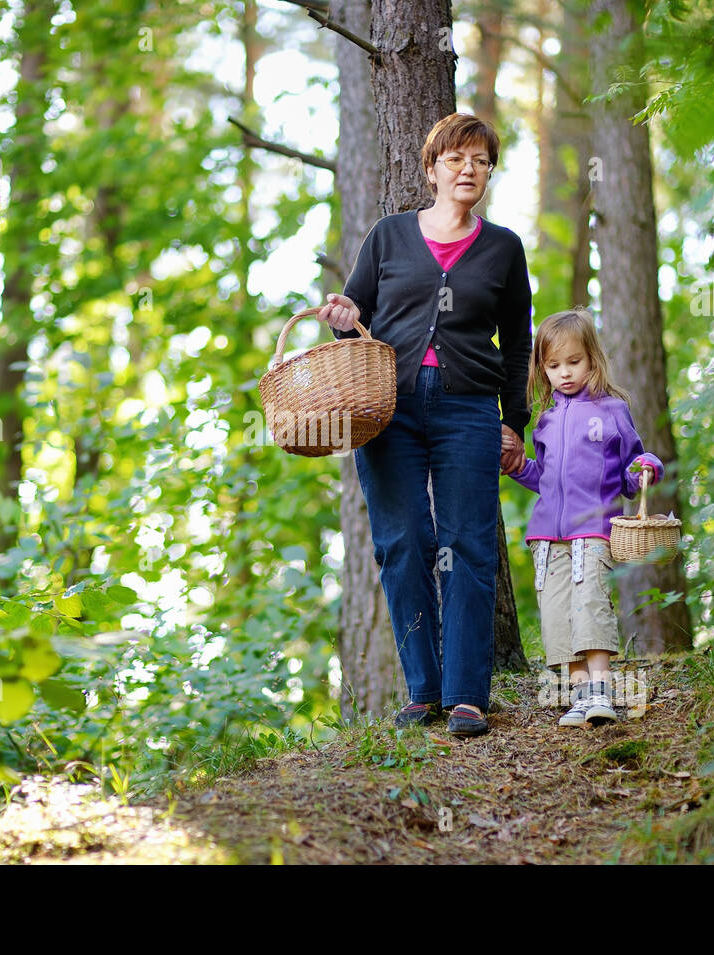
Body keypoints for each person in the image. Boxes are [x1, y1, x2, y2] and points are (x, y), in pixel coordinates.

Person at [318, 113, 534, 737]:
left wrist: (513, 421)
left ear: (490, 172)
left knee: (468, 542)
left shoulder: (503, 247)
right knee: (402, 540)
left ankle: (468, 694)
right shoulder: (388, 236)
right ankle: (423, 690)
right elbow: (352, 311)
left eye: (482, 162)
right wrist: (341, 311)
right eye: (456, 159)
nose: (469, 170)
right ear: (432, 168)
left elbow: (518, 343)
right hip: (389, 407)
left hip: (469, 408)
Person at [504, 306, 663, 726]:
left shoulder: (611, 410)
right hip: (546, 535)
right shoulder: (545, 420)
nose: (565, 373)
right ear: (542, 368)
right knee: (556, 613)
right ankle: (577, 695)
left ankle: (602, 690)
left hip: (594, 528)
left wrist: (647, 466)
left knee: (590, 605)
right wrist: (520, 468)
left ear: (592, 358)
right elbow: (546, 479)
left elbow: (632, 472)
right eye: (554, 366)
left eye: (574, 362)